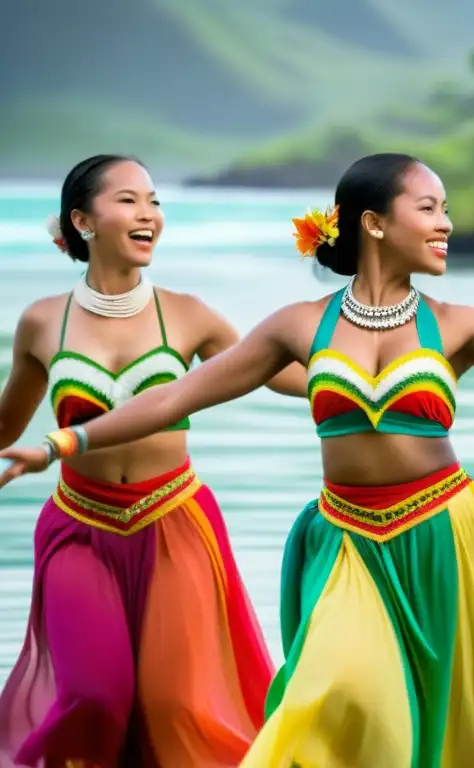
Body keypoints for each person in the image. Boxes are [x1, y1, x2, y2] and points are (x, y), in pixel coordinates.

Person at [0, 153, 474, 768]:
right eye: (428, 208)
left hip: (444, 533)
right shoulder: (298, 326)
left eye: (445, 209)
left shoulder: (456, 325)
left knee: (445, 727)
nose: (446, 224)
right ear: (374, 223)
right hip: (348, 541)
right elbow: (177, 397)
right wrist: (62, 443)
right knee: (347, 699)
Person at [0, 155, 309, 767]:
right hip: (78, 528)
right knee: (95, 697)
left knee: (178, 708)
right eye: (129, 200)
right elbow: (6, 425)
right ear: (82, 221)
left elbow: (286, 376)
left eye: (155, 201)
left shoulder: (189, 314)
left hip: (175, 523)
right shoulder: (41, 322)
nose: (148, 214)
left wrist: (365, 369)